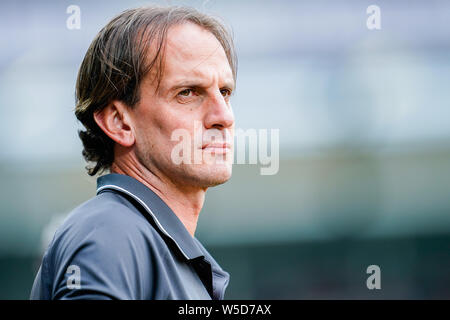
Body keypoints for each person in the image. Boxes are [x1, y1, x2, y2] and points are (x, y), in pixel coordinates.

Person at [30, 5, 237, 300]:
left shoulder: (140, 238)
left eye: (225, 92)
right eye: (187, 92)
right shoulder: (109, 234)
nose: (223, 116)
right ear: (119, 122)